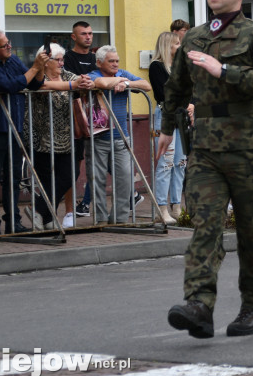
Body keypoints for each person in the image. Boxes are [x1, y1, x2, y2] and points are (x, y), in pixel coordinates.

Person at [163, 0, 253, 339]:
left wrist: (226, 71)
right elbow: (176, 87)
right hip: (205, 146)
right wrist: (167, 128)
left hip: (248, 147)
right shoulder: (197, 37)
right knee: (206, 224)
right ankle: (199, 305)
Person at [0, 29, 47, 235]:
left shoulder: (13, 60)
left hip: (15, 127)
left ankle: (13, 221)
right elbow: (10, 85)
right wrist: (34, 67)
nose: (9, 47)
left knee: (13, 177)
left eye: (9, 42)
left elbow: (33, 83)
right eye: (4, 45)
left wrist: (39, 68)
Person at [24, 44, 94, 230]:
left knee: (68, 175)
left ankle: (38, 209)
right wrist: (73, 85)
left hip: (66, 136)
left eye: (63, 59)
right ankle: (47, 219)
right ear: (46, 62)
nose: (62, 63)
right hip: (42, 136)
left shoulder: (66, 75)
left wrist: (88, 83)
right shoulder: (39, 77)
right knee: (47, 179)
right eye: (59, 60)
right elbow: (42, 86)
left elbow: (81, 81)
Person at [89, 46, 151, 224]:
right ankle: (100, 219)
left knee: (124, 179)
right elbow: (100, 84)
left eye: (117, 61)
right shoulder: (93, 74)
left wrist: (127, 83)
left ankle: (120, 218)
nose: (116, 64)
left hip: (121, 136)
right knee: (97, 180)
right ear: (100, 62)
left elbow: (146, 85)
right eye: (111, 61)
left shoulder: (122, 74)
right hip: (98, 137)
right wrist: (119, 81)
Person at [149, 32, 188, 225]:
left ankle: (176, 205)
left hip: (182, 116)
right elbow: (163, 93)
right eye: (176, 44)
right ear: (167, 46)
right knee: (165, 163)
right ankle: (161, 207)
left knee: (181, 162)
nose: (180, 47)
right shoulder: (157, 67)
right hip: (165, 117)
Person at [64, 20, 97, 218]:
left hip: (97, 117)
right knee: (73, 167)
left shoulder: (96, 58)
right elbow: (71, 81)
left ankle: (130, 195)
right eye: (84, 33)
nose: (88, 36)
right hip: (73, 118)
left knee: (102, 160)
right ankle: (68, 209)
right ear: (74, 37)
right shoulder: (67, 58)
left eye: (90, 33)